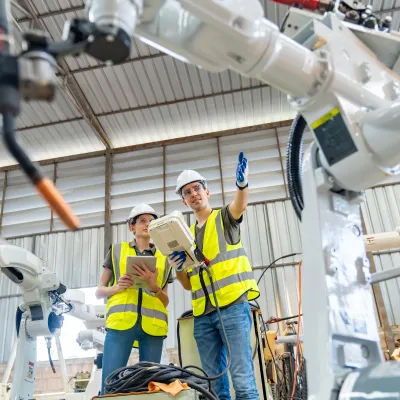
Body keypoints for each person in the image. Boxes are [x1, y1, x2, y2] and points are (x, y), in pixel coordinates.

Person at [169, 152, 260, 400]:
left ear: (206, 192)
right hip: (202, 316)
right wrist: (178, 268)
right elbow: (188, 284)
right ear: (184, 202)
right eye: (186, 192)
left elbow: (239, 205)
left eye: (197, 188)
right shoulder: (184, 236)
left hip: (232, 307)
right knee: (214, 387)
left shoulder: (223, 219)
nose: (193, 194)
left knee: (242, 381)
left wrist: (242, 185)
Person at [96, 204, 172, 394]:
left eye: (152, 221)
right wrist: (116, 287)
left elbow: (165, 301)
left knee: (150, 386)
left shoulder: (164, 257)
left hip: (153, 328)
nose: (147, 224)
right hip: (120, 325)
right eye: (142, 221)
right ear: (132, 227)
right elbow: (99, 292)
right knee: (110, 384)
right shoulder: (116, 251)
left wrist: (154, 286)